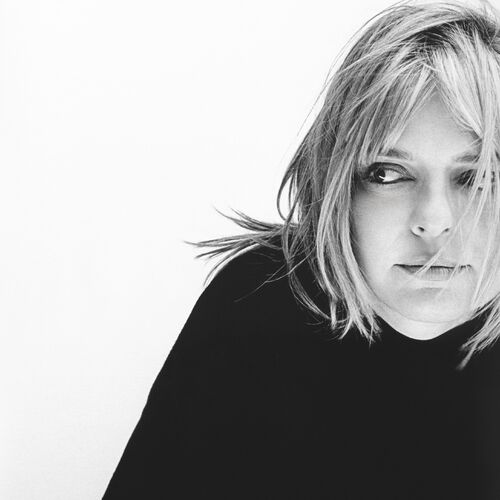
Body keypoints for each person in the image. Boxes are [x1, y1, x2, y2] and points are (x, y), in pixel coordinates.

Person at [102, 1, 500, 498]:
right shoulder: (258, 310)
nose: (434, 221)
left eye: (480, 176)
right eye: (387, 173)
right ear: (336, 189)